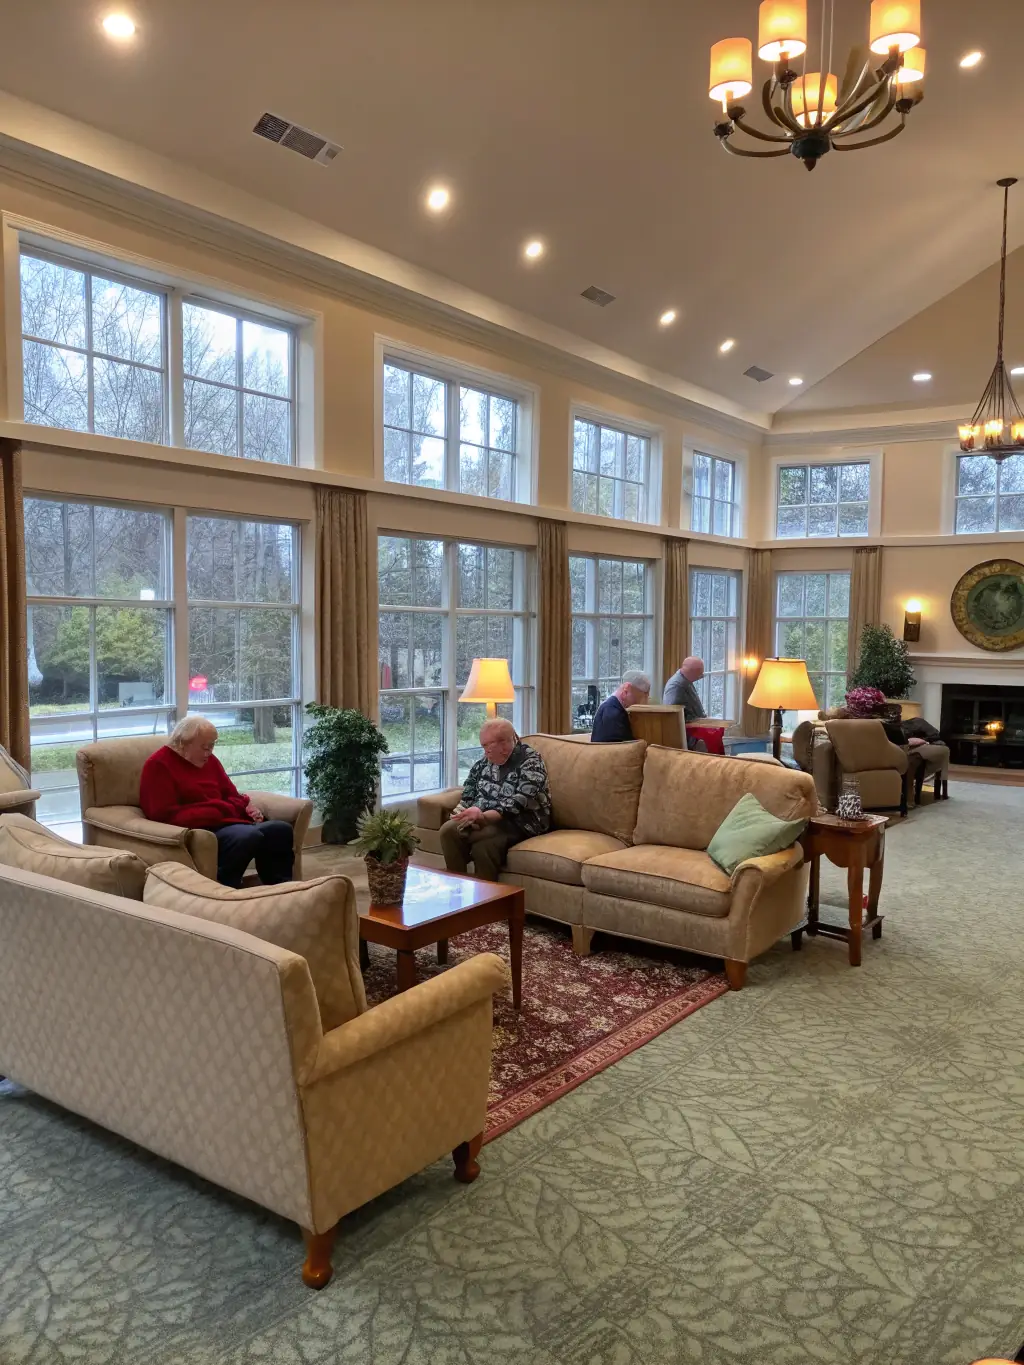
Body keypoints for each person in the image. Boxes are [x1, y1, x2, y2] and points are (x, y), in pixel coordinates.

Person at [140, 716, 295, 888]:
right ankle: (224, 887)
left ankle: (281, 888)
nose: (209, 752)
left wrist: (244, 807)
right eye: (204, 747)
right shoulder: (158, 766)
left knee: (280, 829)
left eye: (212, 746)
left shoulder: (209, 761)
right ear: (183, 743)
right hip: (201, 830)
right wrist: (218, 810)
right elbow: (163, 816)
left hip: (229, 822)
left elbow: (232, 794)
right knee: (247, 836)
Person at [440, 719, 550, 882]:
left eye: (487, 746)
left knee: (483, 844)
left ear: (504, 744)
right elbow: (469, 789)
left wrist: (483, 817)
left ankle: (488, 895)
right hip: (482, 815)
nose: (485, 751)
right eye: (483, 746)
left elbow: (520, 801)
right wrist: (461, 813)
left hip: (520, 822)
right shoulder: (485, 762)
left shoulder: (531, 762)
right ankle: (458, 885)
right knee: (448, 830)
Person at [590, 671, 651, 743]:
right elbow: (620, 747)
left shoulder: (613, 708)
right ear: (627, 689)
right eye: (644, 694)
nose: (645, 701)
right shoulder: (612, 712)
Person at [663, 656, 707, 721]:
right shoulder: (676, 686)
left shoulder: (686, 680)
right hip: (688, 726)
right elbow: (673, 715)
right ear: (691, 672)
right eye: (699, 674)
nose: (701, 676)